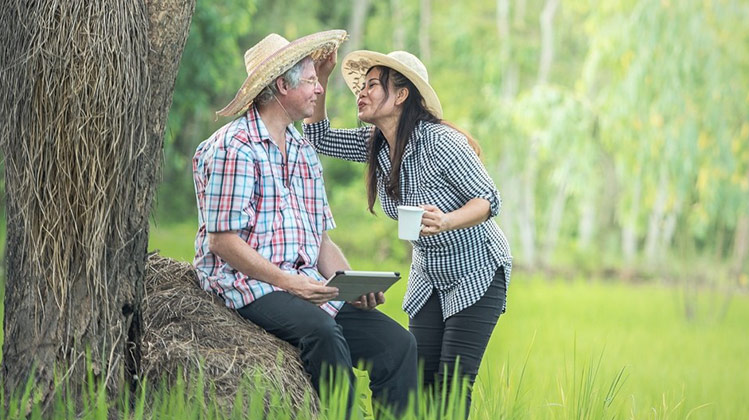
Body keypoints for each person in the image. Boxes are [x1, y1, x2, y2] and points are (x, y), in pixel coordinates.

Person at [191, 31, 417, 415]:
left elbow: (320, 240)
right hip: (249, 285)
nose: (319, 90)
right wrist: (289, 282)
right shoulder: (236, 148)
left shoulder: (301, 151)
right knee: (322, 333)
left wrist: (351, 283)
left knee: (398, 345)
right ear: (282, 85)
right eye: (312, 80)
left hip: (302, 284)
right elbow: (222, 242)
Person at [302, 49, 513, 415]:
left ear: (400, 95)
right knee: (415, 382)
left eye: (372, 86)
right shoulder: (377, 146)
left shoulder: (439, 142)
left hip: (476, 271)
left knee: (450, 390)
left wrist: (447, 220)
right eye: (360, 87)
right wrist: (322, 76)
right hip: (429, 273)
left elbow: (488, 200)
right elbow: (319, 139)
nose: (361, 94)